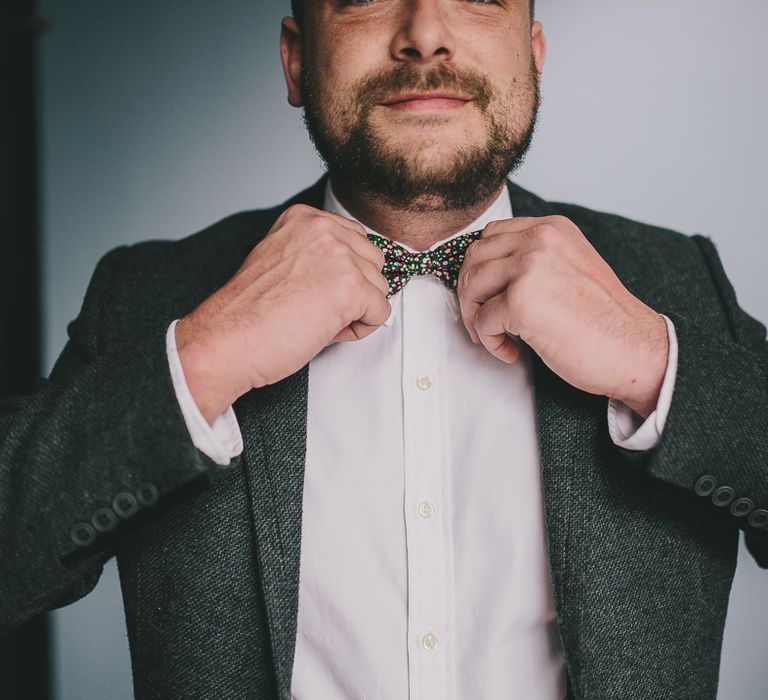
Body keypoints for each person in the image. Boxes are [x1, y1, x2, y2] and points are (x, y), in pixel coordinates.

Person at [2, 1, 766, 698]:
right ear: (297, 58)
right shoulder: (151, 296)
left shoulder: (676, 283)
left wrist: (655, 365)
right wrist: (202, 360)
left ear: (534, 56)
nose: (424, 33)